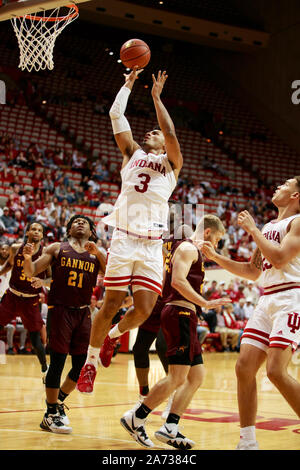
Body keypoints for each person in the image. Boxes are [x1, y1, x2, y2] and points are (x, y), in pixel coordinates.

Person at [77, 68, 183, 393]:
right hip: (124, 236)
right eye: (148, 131)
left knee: (145, 309)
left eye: (156, 133)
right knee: (110, 304)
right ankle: (90, 365)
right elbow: (115, 114)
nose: (152, 132)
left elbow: (169, 130)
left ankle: (112, 337)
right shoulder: (132, 153)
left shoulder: (172, 163)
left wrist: (155, 96)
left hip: (152, 244)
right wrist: (127, 84)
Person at [201, 176, 300, 450]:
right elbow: (252, 271)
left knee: (275, 371)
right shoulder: (269, 226)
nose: (280, 185)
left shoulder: (297, 222)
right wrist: (216, 258)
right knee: (244, 367)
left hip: (291, 297)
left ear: (296, 196)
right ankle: (247, 442)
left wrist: (253, 231)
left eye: (287, 184)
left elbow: (280, 258)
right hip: (267, 298)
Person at [120, 214, 232, 449]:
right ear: (209, 232)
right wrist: (206, 303)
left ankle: (170, 426)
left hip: (187, 316)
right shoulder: (188, 248)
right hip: (178, 313)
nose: (218, 245)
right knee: (177, 377)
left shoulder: (193, 252)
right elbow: (178, 282)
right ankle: (136, 418)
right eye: (218, 239)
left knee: (197, 375)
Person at [23, 215, 106, 434]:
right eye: (75, 222)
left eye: (85, 222)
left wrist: (99, 254)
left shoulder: (97, 253)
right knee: (58, 363)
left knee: (79, 366)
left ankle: (57, 403)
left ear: (91, 232)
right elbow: (30, 271)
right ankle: (51, 414)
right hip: (60, 311)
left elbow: (110, 274)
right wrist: (27, 258)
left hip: (83, 313)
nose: (80, 223)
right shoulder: (56, 248)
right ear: (69, 229)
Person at [0, 222, 50, 378]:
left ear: (42, 236)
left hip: (31, 300)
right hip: (12, 296)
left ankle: (44, 368)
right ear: (27, 232)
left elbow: (51, 278)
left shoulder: (45, 254)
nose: (36, 231)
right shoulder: (16, 248)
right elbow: (9, 264)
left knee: (35, 338)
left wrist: (43, 282)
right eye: (33, 229)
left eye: (39, 230)